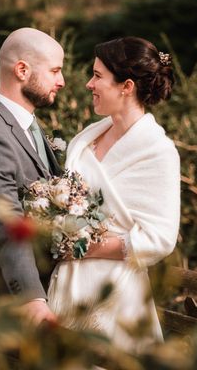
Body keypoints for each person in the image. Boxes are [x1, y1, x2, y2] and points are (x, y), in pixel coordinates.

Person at [47, 36, 181, 353]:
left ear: (127, 86)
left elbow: (161, 238)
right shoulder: (87, 137)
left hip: (115, 291)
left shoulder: (158, 152)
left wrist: (85, 248)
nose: (89, 84)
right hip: (67, 283)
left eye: (97, 75)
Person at [0, 27, 65, 325]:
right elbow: (5, 222)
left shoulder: (26, 126)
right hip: (8, 304)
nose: (62, 81)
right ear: (22, 70)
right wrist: (31, 298)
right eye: (55, 71)